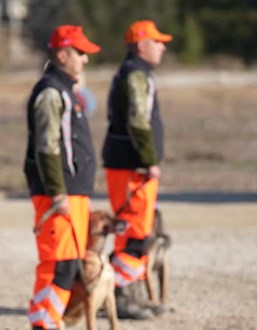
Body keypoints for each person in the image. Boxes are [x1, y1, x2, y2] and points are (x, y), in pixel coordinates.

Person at [23, 25, 101, 329]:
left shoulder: (66, 91)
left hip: (73, 193)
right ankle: (43, 323)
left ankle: (50, 320)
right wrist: (57, 192)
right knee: (58, 264)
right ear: (63, 54)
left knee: (69, 264)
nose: (85, 60)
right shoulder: (51, 93)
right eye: (80, 53)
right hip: (59, 194)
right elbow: (47, 147)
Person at [101, 19, 172, 319]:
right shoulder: (136, 75)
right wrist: (149, 160)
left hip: (128, 164)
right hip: (132, 166)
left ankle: (129, 292)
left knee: (136, 230)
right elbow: (138, 121)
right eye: (157, 42)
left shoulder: (135, 73)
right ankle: (122, 295)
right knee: (133, 232)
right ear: (142, 45)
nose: (163, 46)